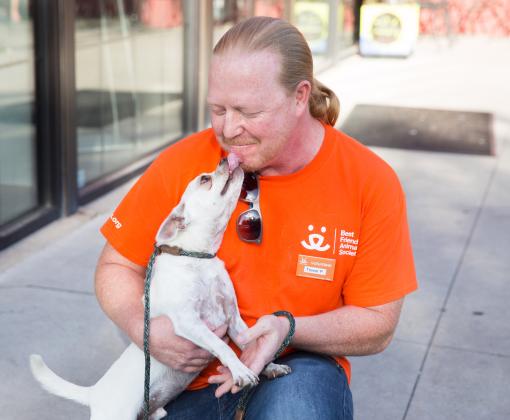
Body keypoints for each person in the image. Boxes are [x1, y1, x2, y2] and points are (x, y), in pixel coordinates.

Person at [96, 16, 417, 420]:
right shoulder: (184, 164)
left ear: (300, 97)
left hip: (296, 369)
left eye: (248, 111)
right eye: (218, 109)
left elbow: (378, 323)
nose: (229, 129)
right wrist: (144, 330)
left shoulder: (369, 181)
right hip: (186, 384)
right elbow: (115, 265)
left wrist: (288, 328)